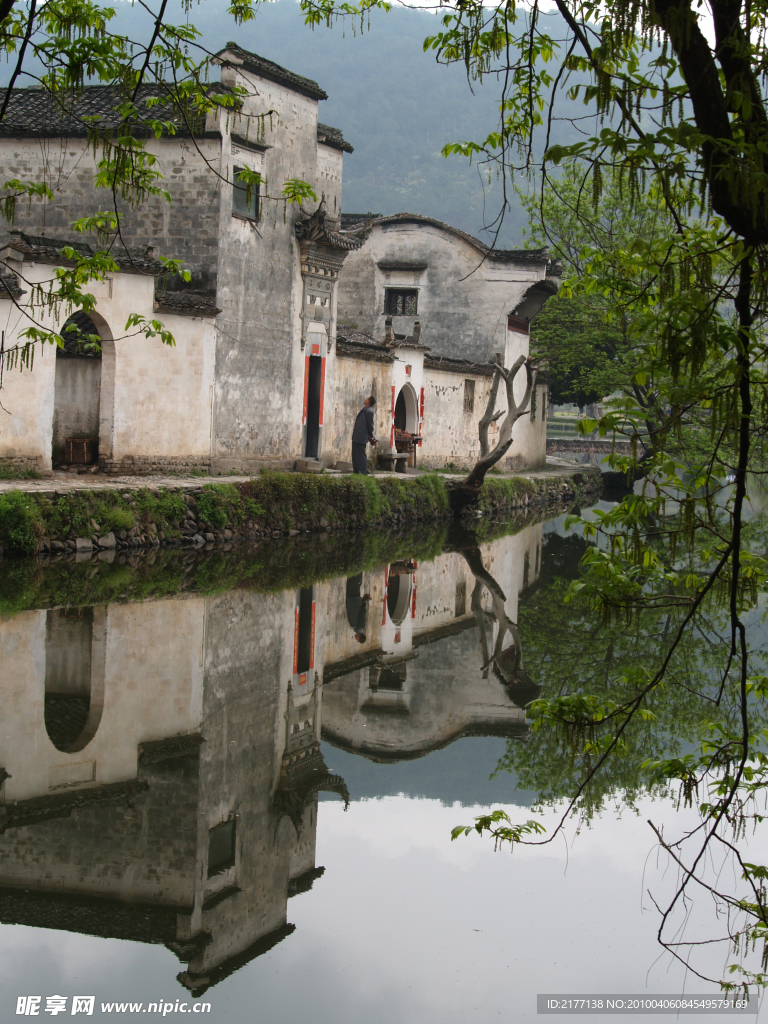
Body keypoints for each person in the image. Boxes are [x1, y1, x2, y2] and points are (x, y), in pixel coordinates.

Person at [351, 395, 377, 475]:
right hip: (357, 436)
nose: (365, 399)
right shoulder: (365, 410)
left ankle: (362, 473)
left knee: (361, 456)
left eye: (367, 398)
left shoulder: (368, 411)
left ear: (368, 401)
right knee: (355, 455)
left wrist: (370, 435)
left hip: (361, 437)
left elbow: (370, 425)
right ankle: (356, 472)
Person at [346, 574, 371, 643]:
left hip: (352, 601)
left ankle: (356, 572)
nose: (356, 639)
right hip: (354, 601)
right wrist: (364, 603)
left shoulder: (357, 628)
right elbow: (362, 614)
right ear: (359, 637)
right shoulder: (360, 627)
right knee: (353, 584)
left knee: (352, 584)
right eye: (357, 640)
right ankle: (358, 571)